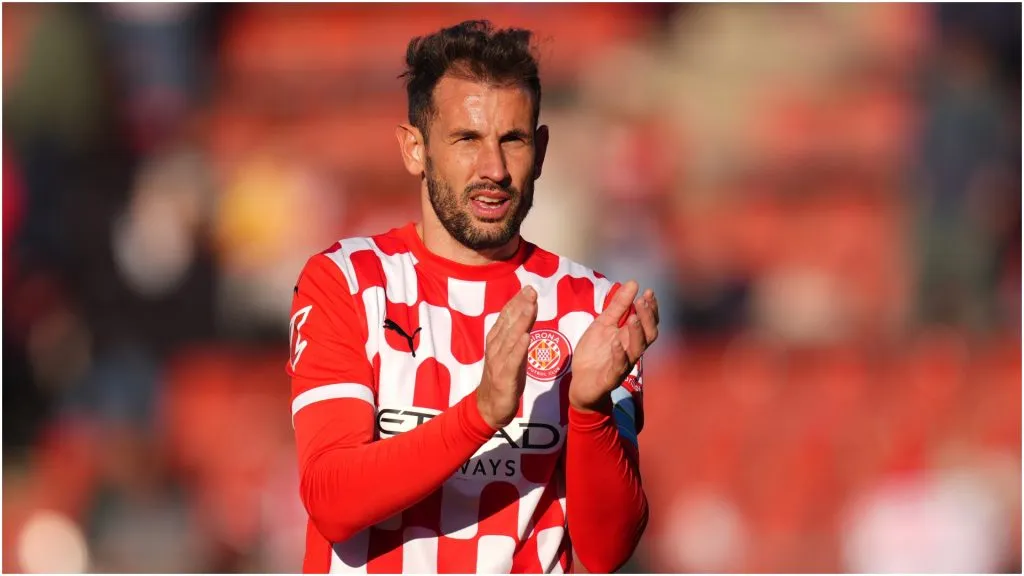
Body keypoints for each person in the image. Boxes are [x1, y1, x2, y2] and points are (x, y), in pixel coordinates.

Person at [286, 20, 659, 574]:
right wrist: (482, 413)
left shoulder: (593, 308)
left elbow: (606, 551)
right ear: (415, 149)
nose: (495, 170)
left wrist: (589, 410)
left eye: (513, 139)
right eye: (467, 139)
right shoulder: (346, 280)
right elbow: (332, 501)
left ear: (542, 148)